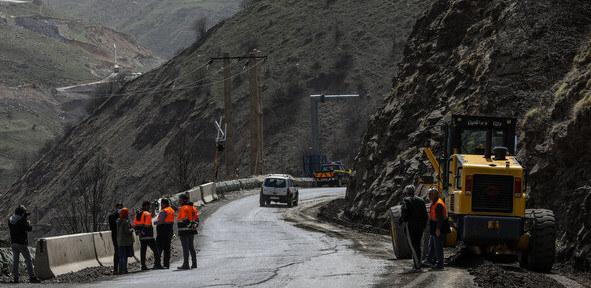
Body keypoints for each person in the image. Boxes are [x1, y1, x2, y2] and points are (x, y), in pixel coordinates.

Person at [8, 205, 41, 283]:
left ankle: (15, 278)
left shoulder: (10, 219)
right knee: (28, 260)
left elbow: (17, 225)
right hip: (22, 243)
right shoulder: (22, 220)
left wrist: (24, 218)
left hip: (13, 243)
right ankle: (32, 277)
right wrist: (28, 222)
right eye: (23, 213)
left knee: (15, 261)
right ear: (21, 213)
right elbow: (29, 228)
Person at [400, 185, 428, 272]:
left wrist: (404, 221)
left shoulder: (406, 200)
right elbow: (425, 215)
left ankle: (417, 266)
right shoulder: (421, 200)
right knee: (419, 245)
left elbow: (404, 214)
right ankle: (418, 263)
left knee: (413, 245)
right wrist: (424, 226)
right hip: (420, 226)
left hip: (411, 225)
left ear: (407, 192)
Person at [133, 201, 163, 271]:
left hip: (141, 237)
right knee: (156, 250)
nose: (149, 207)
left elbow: (135, 225)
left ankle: (143, 266)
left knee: (143, 251)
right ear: (146, 206)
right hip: (148, 236)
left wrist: (138, 233)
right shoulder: (147, 214)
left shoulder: (137, 215)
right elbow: (147, 225)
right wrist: (143, 233)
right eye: (149, 206)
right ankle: (158, 264)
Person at [424, 188, 448, 269]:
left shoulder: (438, 204)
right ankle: (429, 259)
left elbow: (440, 218)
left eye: (430, 194)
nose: (429, 196)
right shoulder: (434, 203)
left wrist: (438, 229)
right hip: (434, 229)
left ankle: (440, 263)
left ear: (435, 194)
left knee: (438, 246)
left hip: (438, 229)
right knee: (431, 245)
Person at [177, 194, 199, 270]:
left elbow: (184, 219)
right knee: (191, 247)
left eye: (180, 200)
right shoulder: (193, 208)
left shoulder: (183, 208)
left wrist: (189, 226)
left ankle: (186, 264)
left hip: (184, 231)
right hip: (191, 231)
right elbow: (197, 219)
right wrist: (194, 226)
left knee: (185, 248)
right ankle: (194, 263)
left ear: (184, 200)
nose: (179, 202)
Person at [155, 198, 175, 269]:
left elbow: (160, 221)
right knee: (167, 249)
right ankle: (166, 264)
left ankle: (157, 264)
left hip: (162, 232)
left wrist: (155, 222)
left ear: (162, 204)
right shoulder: (171, 210)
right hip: (169, 232)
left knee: (159, 248)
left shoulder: (164, 211)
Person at [116, 207, 134, 274]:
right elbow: (127, 231)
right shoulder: (125, 221)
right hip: (125, 241)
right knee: (125, 256)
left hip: (120, 241)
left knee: (121, 256)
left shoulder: (118, 221)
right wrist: (131, 230)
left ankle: (120, 269)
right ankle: (124, 269)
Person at [108, 203, 123, 275]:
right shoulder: (112, 216)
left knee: (122, 252)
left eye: (121, 208)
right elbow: (112, 228)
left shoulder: (123, 216)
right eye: (119, 208)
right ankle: (116, 269)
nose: (120, 209)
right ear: (116, 208)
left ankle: (121, 268)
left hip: (122, 237)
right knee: (117, 251)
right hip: (116, 236)